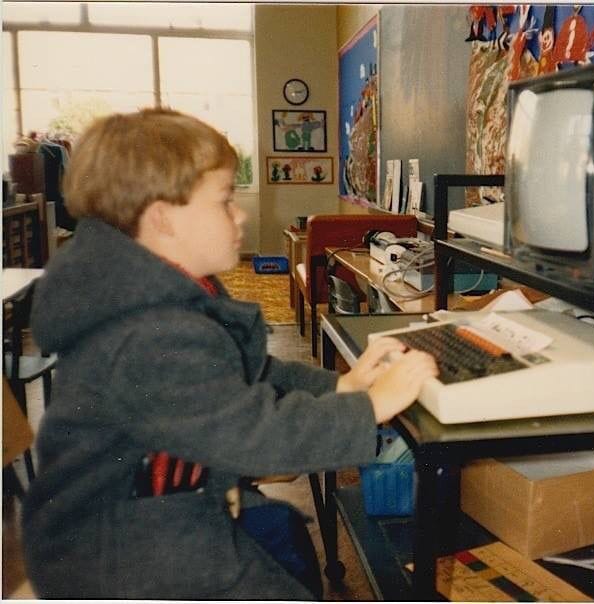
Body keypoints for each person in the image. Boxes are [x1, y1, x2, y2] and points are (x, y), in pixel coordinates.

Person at [22, 108, 438, 599]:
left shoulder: (162, 292)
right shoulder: (146, 332)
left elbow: (247, 372)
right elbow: (251, 434)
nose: (239, 214)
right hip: (115, 549)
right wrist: (368, 409)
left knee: (282, 548)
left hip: (152, 511)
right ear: (162, 219)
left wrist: (341, 386)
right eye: (223, 201)